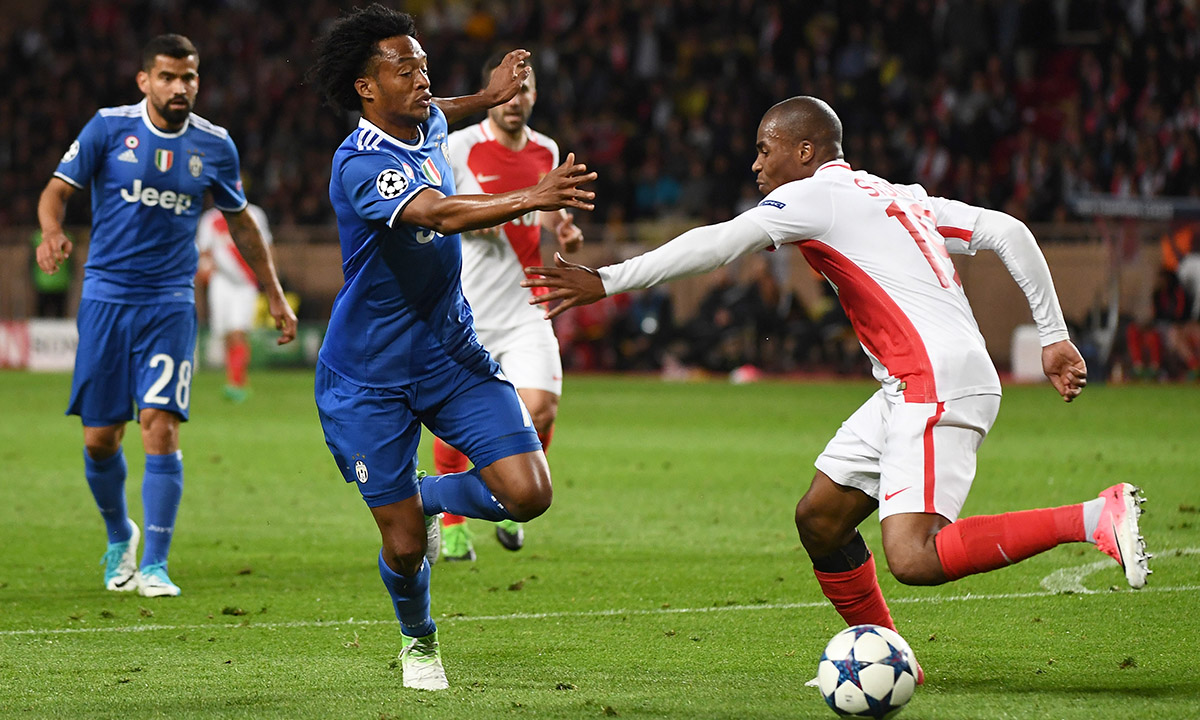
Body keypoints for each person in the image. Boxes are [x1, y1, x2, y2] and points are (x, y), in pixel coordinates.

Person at [523, 96, 1150, 680]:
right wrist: (1053, 335)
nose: (756, 163)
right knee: (821, 519)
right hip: (912, 381)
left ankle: (1094, 516)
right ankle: (888, 657)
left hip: (932, 380)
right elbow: (1009, 231)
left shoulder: (815, 196)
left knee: (914, 556)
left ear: (805, 151)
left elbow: (720, 242)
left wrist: (607, 279)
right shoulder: (898, 194)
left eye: (765, 148)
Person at [308, 5, 595, 691]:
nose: (422, 79)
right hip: (368, 376)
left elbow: (443, 110)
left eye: (424, 66)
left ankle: (424, 493)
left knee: (529, 495)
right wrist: (532, 196)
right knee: (406, 547)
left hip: (450, 354)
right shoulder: (361, 163)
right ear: (365, 89)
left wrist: (488, 97)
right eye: (404, 69)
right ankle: (419, 640)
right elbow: (436, 212)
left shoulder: (426, 122)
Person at [36, 34, 297, 598]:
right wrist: (52, 231)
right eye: (168, 77)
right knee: (100, 438)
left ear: (197, 81)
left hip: (169, 302)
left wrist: (273, 293)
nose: (180, 87)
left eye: (189, 77)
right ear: (145, 81)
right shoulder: (108, 127)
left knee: (160, 424)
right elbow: (56, 191)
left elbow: (241, 223)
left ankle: (155, 564)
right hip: (106, 298)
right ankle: (119, 536)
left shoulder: (214, 144)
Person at [434, 54, 585, 562]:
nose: (516, 100)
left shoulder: (546, 150)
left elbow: (548, 214)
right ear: (493, 95)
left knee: (541, 407)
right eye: (509, 90)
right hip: (467, 309)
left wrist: (564, 231)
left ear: (534, 97)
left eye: (526, 90)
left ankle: (510, 496)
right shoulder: (460, 146)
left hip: (525, 308)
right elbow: (446, 211)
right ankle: (453, 522)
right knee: (457, 422)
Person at [196, 202, 274, 401]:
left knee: (239, 331)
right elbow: (204, 251)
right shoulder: (211, 219)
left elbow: (265, 246)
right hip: (220, 281)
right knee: (226, 334)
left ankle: (237, 382)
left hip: (246, 281)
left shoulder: (254, 214)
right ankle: (233, 379)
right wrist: (204, 269)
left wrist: (270, 279)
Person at [30, 229, 73, 318]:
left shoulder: (68, 238)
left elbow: (72, 263)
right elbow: (31, 262)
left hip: (60, 283)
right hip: (43, 283)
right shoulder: (36, 238)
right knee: (42, 316)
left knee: (59, 316)